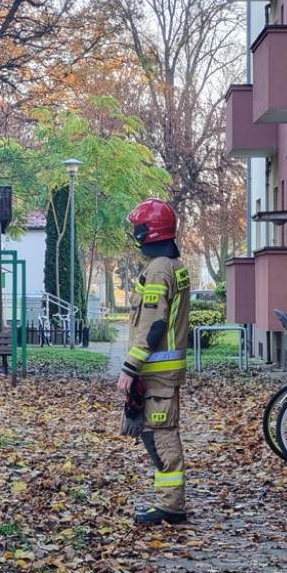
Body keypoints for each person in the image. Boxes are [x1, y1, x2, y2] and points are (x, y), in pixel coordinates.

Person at [117, 198, 192, 525]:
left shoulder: (160, 269)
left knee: (159, 434)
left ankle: (171, 507)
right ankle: (168, 503)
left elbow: (153, 323)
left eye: (138, 228)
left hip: (158, 372)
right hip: (163, 370)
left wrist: (131, 367)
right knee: (155, 432)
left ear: (148, 232)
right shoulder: (171, 266)